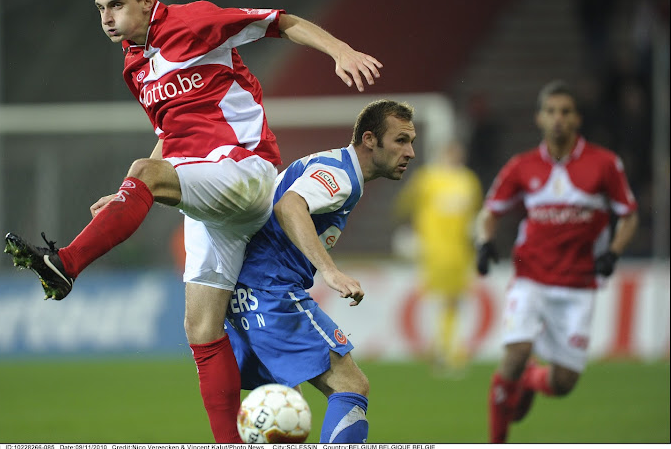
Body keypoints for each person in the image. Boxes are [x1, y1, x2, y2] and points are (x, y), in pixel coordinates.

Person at [3, 0, 383, 443]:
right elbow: (171, 135)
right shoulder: (134, 65)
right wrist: (129, 190)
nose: (107, 17)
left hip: (244, 169)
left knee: (145, 177)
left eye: (116, 4)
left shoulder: (192, 22)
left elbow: (280, 22)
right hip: (208, 191)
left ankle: (67, 264)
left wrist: (340, 50)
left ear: (147, 1)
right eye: (100, 8)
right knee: (201, 329)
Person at [225, 100, 416, 443]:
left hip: (245, 293)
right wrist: (330, 272)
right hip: (271, 292)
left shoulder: (332, 165)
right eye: (401, 140)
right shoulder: (340, 175)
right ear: (370, 139)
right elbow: (290, 205)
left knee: (282, 408)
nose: (410, 152)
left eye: (411, 141)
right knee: (351, 386)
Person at [475, 80, 638, 443]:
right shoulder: (522, 166)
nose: (558, 119)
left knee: (563, 383)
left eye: (565, 112)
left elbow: (628, 215)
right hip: (531, 278)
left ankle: (531, 380)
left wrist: (613, 251)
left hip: (578, 285)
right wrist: (484, 243)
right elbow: (490, 212)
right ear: (540, 118)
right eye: (551, 112)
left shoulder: (605, 164)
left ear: (577, 118)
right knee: (514, 354)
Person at [394, 139, 483, 375]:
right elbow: (404, 205)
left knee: (454, 301)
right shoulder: (428, 179)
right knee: (438, 300)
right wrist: (412, 232)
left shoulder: (468, 181)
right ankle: (443, 352)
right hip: (433, 250)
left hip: (460, 252)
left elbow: (474, 215)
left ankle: (444, 350)